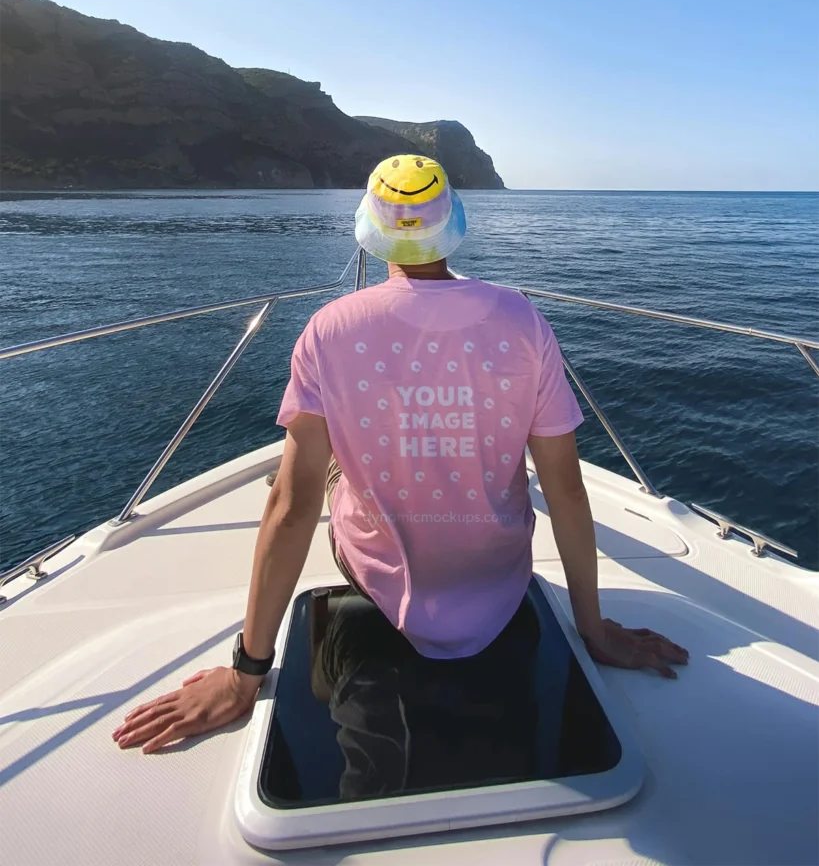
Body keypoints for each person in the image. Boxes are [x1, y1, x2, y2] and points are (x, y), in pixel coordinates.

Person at [113, 154, 687, 754]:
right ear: (453, 223)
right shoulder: (524, 322)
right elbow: (566, 490)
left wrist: (244, 673)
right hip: (500, 586)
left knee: (317, 471)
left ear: (369, 226)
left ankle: (345, 466)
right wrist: (593, 632)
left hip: (377, 577)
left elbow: (291, 505)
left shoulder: (328, 329)